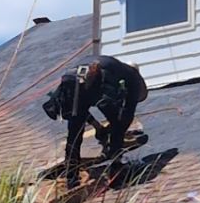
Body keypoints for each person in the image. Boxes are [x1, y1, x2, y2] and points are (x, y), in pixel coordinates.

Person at [42, 55, 149, 185]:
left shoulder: (115, 70)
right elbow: (125, 117)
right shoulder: (133, 79)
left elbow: (86, 103)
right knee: (120, 123)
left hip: (72, 76)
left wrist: (97, 126)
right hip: (93, 75)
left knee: (75, 129)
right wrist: (115, 133)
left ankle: (71, 176)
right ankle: (116, 168)